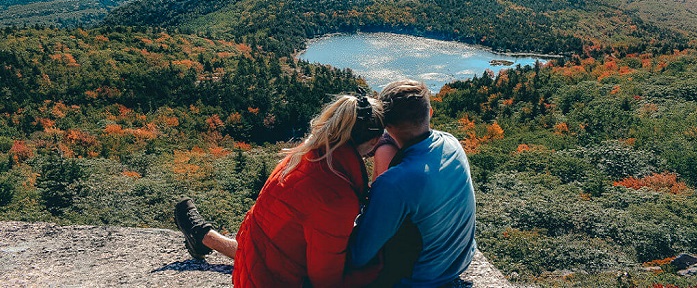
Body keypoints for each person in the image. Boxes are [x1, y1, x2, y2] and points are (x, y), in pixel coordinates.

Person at [174, 90, 384, 287]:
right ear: (374, 141)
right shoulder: (335, 196)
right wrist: (380, 266)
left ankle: (202, 235)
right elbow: (325, 281)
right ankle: (202, 236)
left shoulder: (304, 155)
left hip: (254, 260)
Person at [350, 79, 477, 287]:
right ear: (430, 113)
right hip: (459, 262)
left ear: (387, 127)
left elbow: (359, 255)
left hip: (421, 279)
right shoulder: (452, 143)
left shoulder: (394, 183)